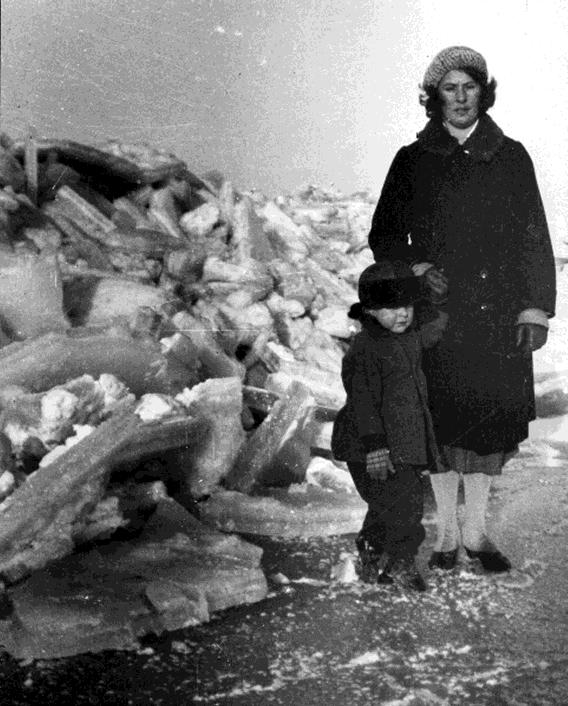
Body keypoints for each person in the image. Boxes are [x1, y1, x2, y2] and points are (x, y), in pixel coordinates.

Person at [368, 46, 556, 573]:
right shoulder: (412, 159)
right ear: (434, 97)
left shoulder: (511, 156)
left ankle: (476, 533)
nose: (459, 98)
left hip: (497, 316)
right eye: (448, 88)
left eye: (468, 87)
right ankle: (446, 536)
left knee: (485, 430)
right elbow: (384, 234)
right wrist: (417, 269)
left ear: (483, 92)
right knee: (440, 428)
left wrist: (535, 309)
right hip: (436, 317)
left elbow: (532, 237)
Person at [331, 260, 447, 591]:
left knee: (389, 505)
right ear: (369, 310)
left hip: (402, 445)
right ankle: (400, 562)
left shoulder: (407, 337)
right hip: (372, 447)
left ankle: (371, 549)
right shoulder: (365, 350)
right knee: (406, 507)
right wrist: (375, 447)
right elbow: (363, 402)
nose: (403, 314)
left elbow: (426, 336)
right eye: (392, 307)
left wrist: (444, 312)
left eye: (407, 305)